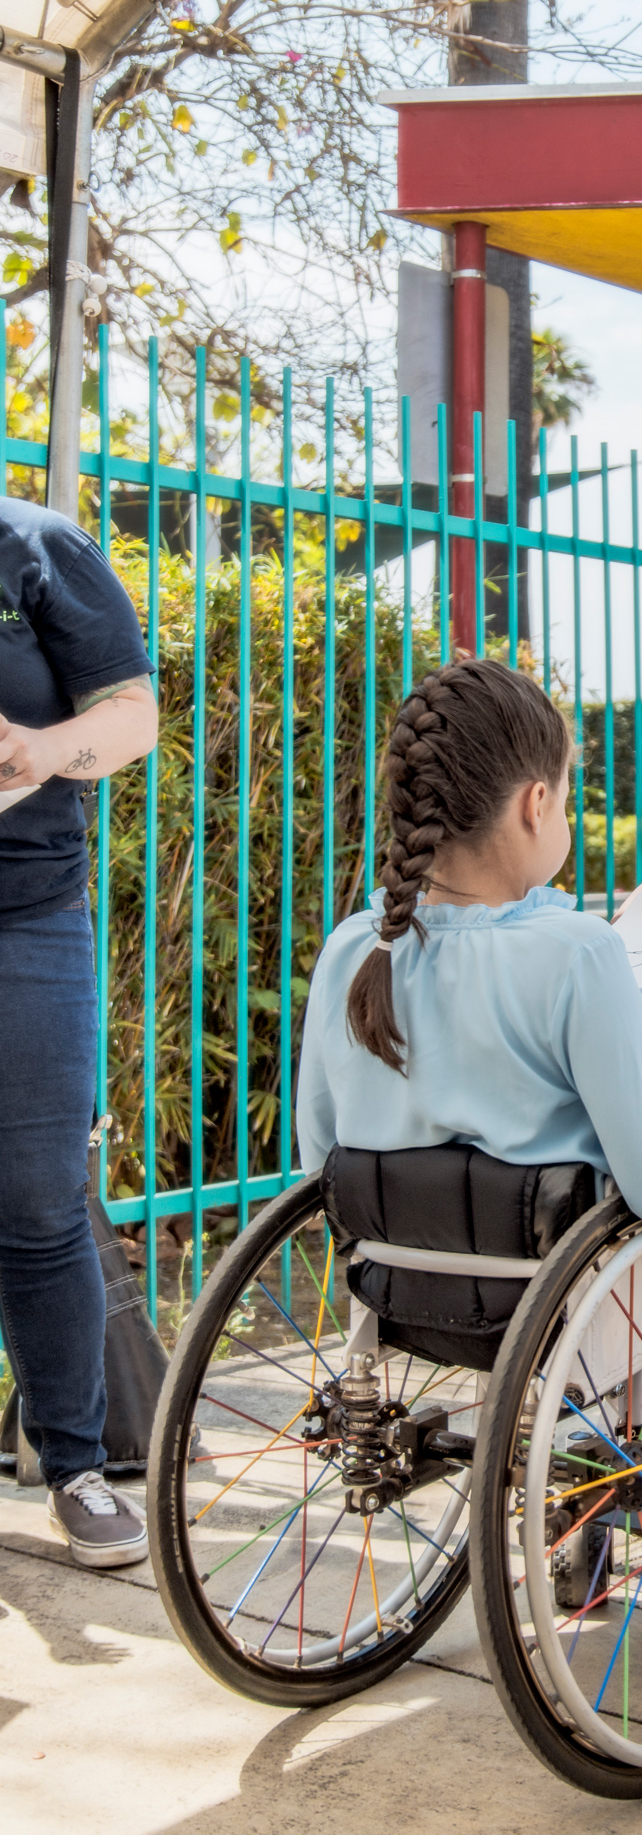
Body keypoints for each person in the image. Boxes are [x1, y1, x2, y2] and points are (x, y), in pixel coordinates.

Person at [295, 658, 642, 1242]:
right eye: (568, 800)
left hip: (400, 1282)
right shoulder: (576, 954)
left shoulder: (353, 947)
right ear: (535, 803)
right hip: (567, 1291)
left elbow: (321, 1153)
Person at [1, 493, 158, 1566]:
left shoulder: (38, 546)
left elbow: (133, 718)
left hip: (27, 922)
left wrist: (41, 750)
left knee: (39, 1201)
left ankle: (76, 1469)